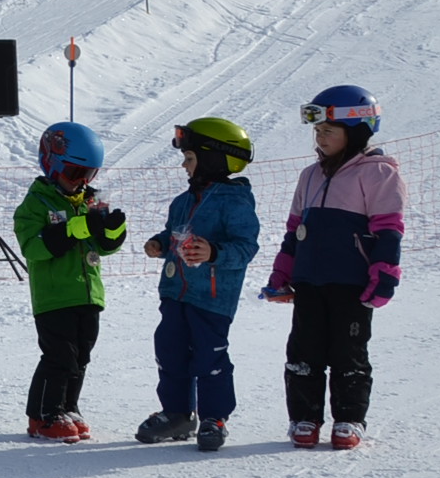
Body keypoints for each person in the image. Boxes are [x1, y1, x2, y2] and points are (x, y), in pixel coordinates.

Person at [261, 86, 403, 450]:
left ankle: (349, 419)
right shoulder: (310, 175)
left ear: (356, 131)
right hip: (309, 281)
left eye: (328, 130)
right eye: (317, 131)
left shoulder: (378, 173)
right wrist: (282, 273)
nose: (320, 138)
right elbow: (295, 231)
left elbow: (388, 229)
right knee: (302, 351)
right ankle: (304, 418)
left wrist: (384, 274)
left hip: (352, 283)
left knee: (348, 353)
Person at [135, 117, 261, 452]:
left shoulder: (235, 202)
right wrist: (160, 244)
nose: (184, 166)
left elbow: (246, 248)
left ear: (214, 159)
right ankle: (177, 414)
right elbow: (174, 234)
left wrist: (213, 252)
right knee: (170, 351)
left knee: (209, 357)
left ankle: (214, 418)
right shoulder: (182, 201)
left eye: (189, 158)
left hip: (212, 298)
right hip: (175, 293)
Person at [13, 121, 129, 442]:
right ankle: (44, 415)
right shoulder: (36, 204)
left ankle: (67, 406)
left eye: (89, 174)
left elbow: (104, 247)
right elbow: (34, 246)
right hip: (54, 297)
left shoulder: (88, 201)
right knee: (60, 357)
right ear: (52, 164)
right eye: (75, 173)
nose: (82, 181)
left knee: (80, 357)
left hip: (88, 294)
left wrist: (113, 230)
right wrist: (79, 227)